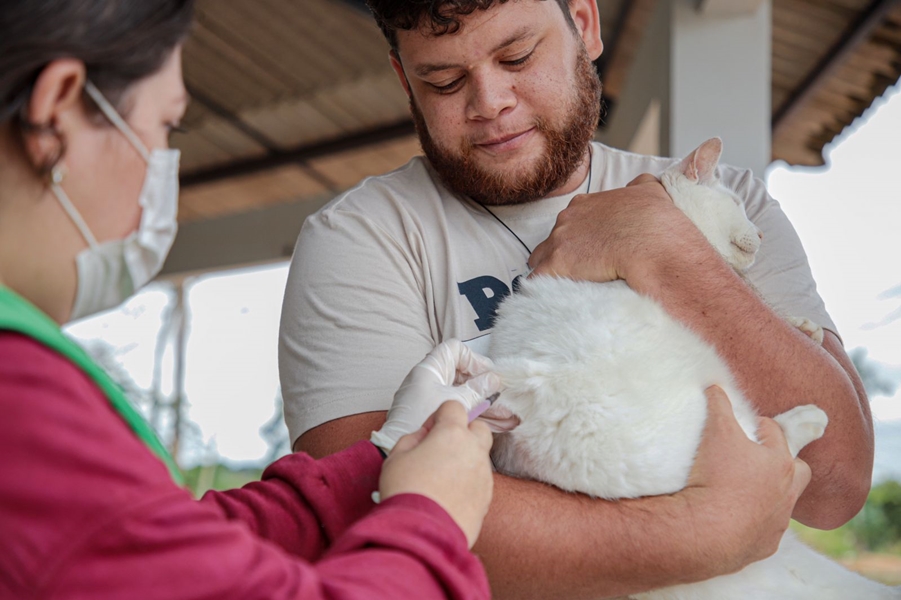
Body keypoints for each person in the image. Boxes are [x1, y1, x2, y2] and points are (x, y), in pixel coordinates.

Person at [278, 0, 876, 598]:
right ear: (406, 80)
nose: (489, 103)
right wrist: (697, 532)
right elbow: (360, 511)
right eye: (445, 80)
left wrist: (665, 251)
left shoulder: (720, 198)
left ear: (584, 27)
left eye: (518, 55)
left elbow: (835, 484)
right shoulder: (361, 236)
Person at [0, 1, 503, 598]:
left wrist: (382, 456)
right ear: (56, 108)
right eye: (166, 127)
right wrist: (430, 520)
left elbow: (166, 546)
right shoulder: (18, 398)